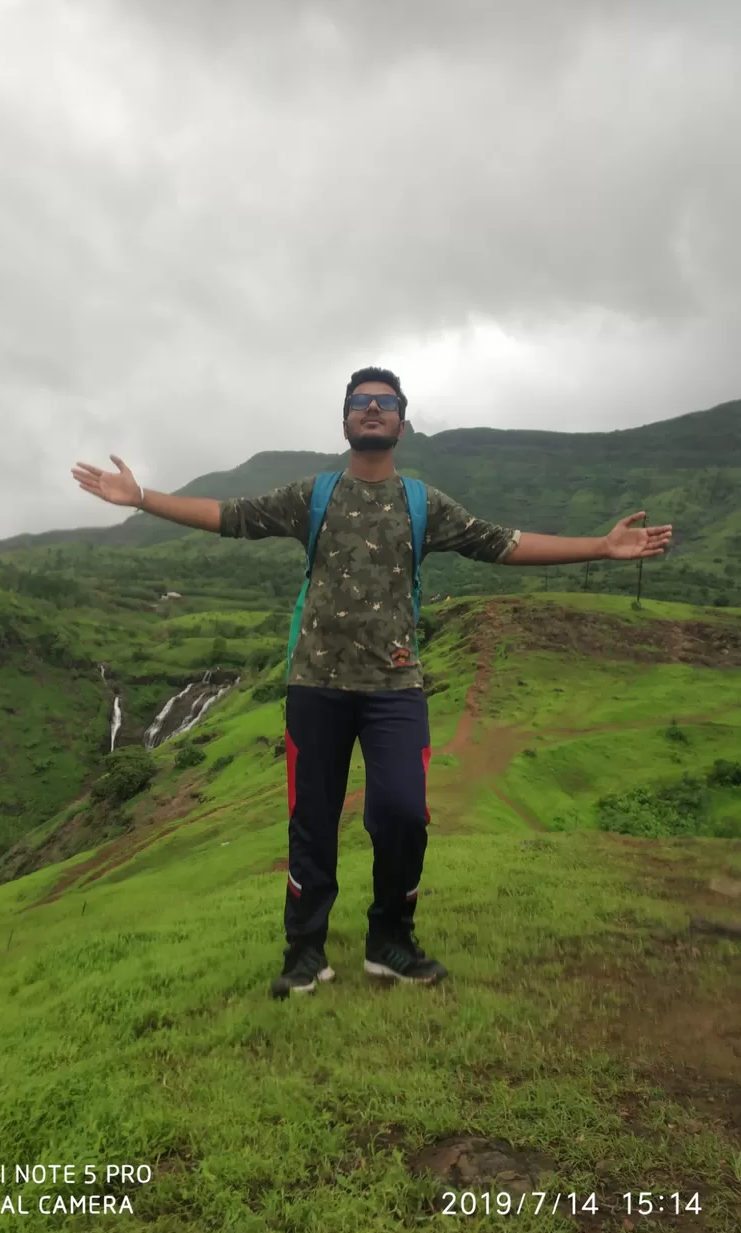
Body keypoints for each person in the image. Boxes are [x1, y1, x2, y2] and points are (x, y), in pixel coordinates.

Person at [72, 367, 673, 1000]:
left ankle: (391, 941)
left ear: (402, 424)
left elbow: (504, 544)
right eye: (361, 402)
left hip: (395, 688)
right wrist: (142, 497)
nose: (373, 409)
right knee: (312, 824)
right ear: (346, 420)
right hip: (315, 687)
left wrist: (600, 549)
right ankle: (304, 954)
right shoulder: (315, 494)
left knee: (404, 815)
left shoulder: (424, 503)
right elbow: (230, 515)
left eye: (385, 403)